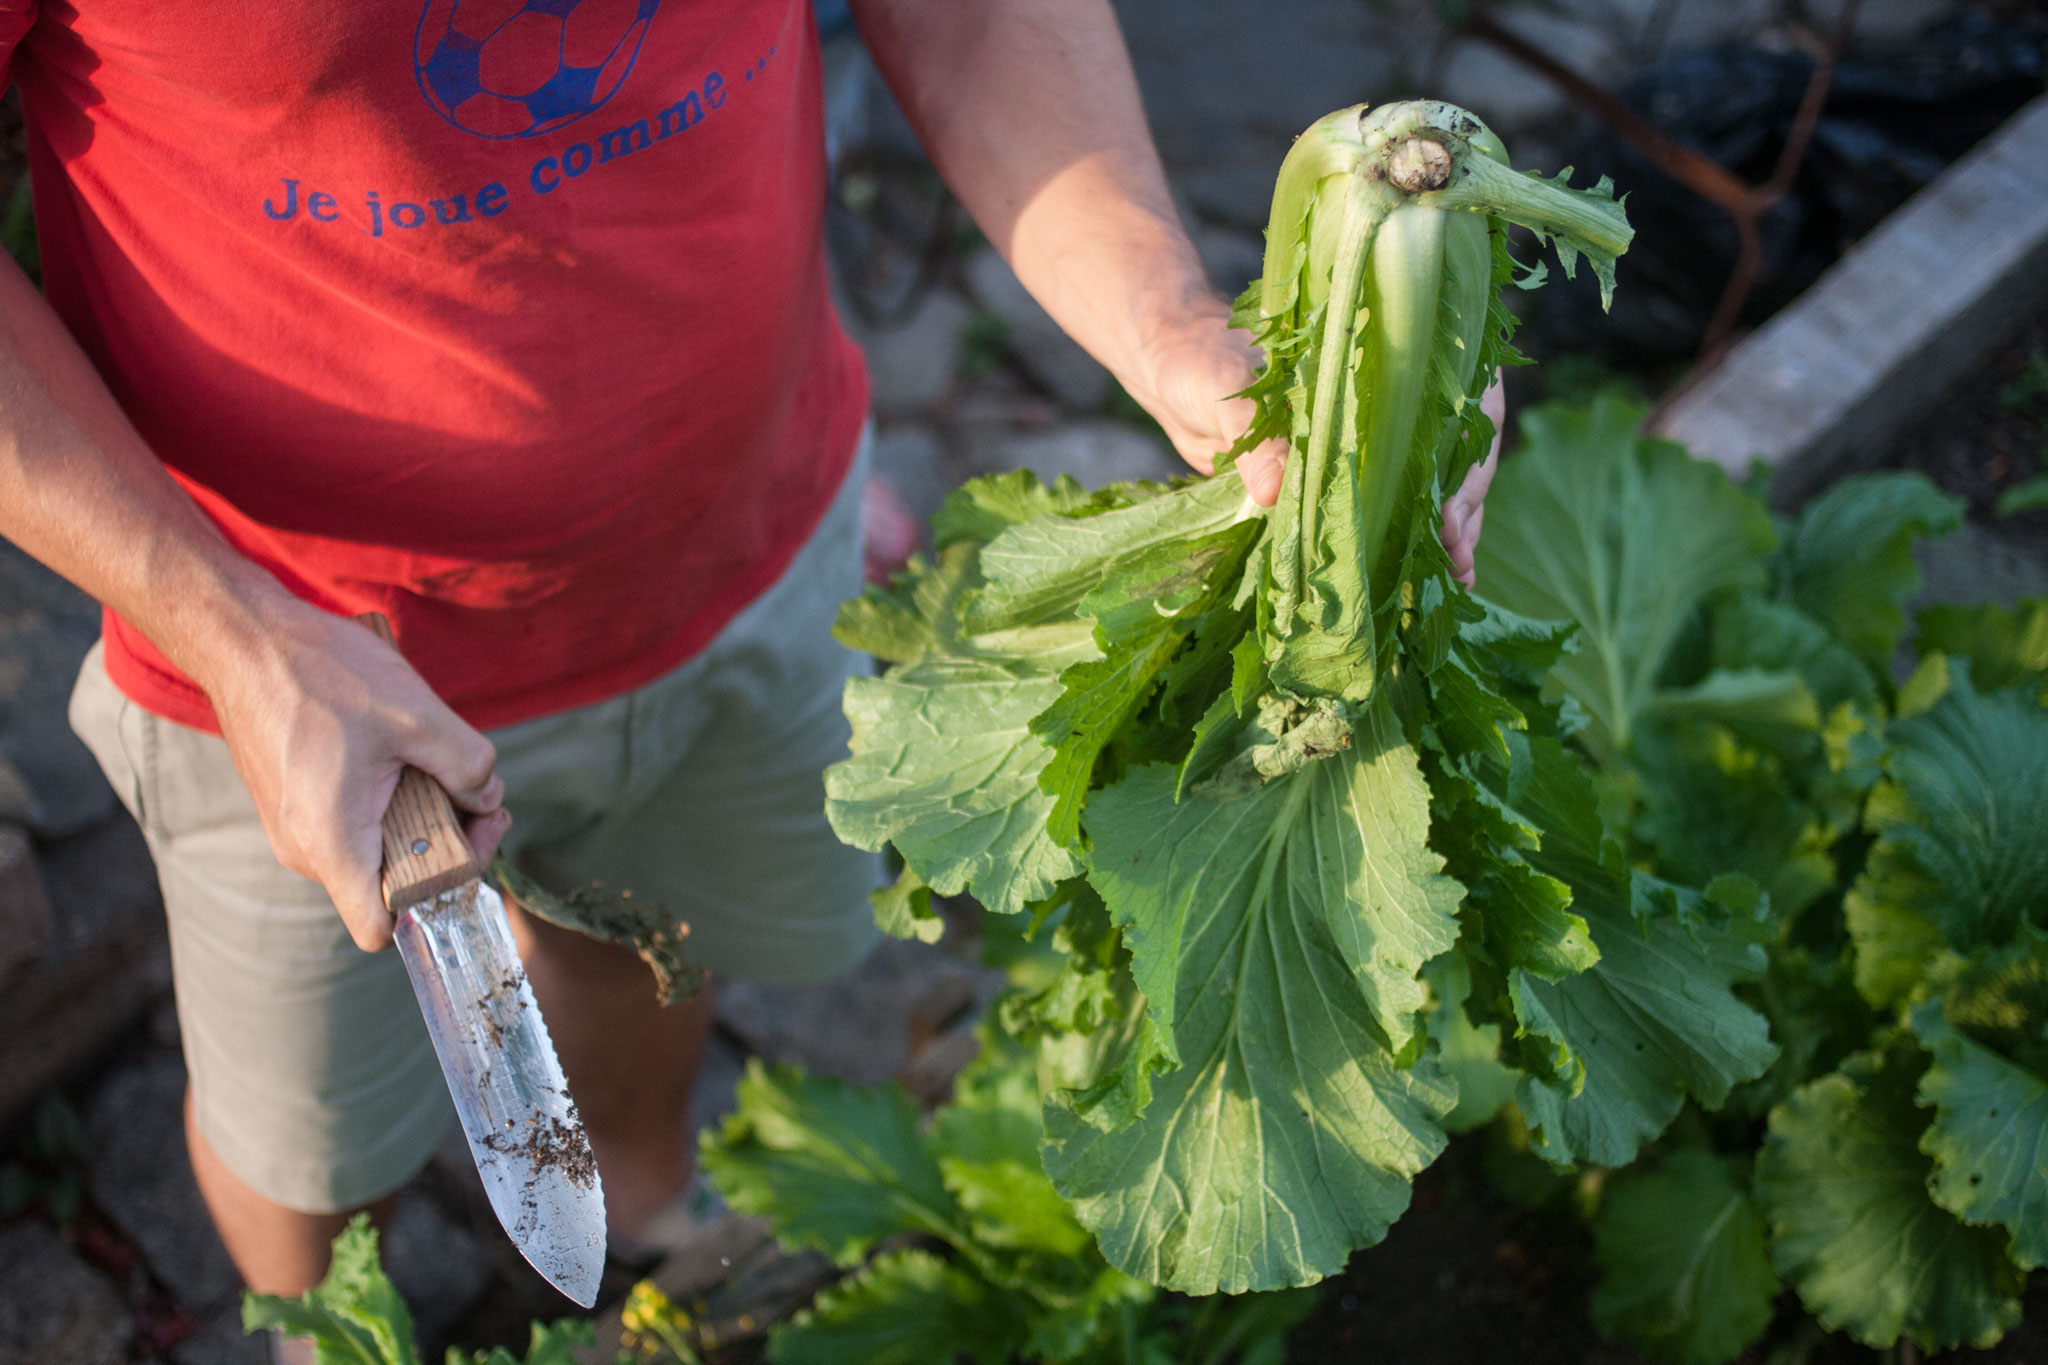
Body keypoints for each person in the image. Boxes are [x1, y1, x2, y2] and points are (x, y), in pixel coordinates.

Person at [0, 0, 1497, 1338]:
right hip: (301, 677)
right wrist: (236, 634)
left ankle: (645, 1219)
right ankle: (322, 1324)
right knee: (311, 1145)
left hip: (748, 537)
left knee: (649, 947)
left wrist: (1176, 332)